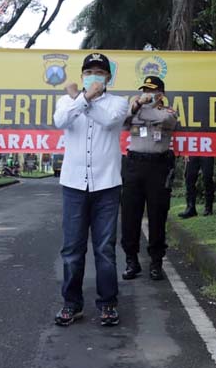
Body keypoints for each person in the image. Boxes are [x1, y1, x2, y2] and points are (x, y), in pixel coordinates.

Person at [53, 52, 128, 327]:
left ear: (108, 77)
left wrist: (82, 99)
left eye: (99, 72)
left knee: (105, 249)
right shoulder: (66, 101)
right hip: (74, 185)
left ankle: (108, 304)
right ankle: (72, 304)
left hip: (107, 185)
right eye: (89, 72)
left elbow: (109, 121)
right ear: (82, 75)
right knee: (72, 248)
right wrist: (81, 99)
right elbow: (60, 121)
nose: (93, 77)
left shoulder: (119, 103)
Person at [121, 76, 177, 281]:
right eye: (144, 90)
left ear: (160, 94)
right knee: (129, 215)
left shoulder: (168, 111)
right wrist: (136, 106)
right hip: (134, 165)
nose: (147, 94)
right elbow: (123, 122)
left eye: (151, 91)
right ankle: (131, 261)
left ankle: (156, 262)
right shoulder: (135, 108)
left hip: (158, 166)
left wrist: (141, 112)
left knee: (157, 216)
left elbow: (166, 120)